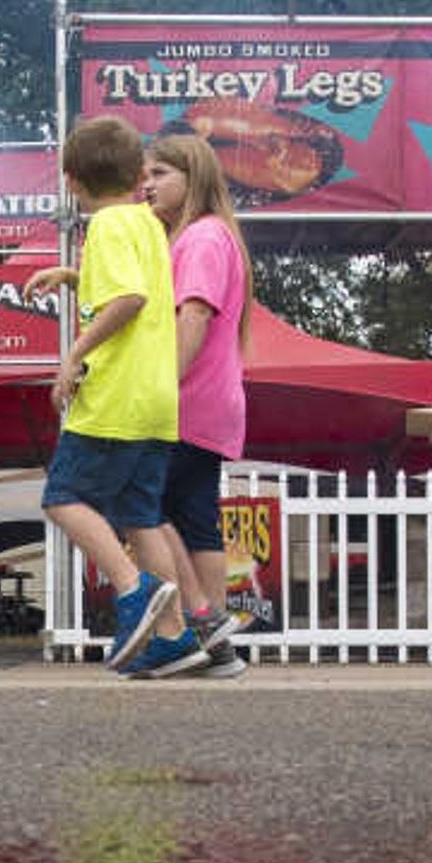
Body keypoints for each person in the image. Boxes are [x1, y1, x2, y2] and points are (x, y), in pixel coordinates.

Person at [40, 116, 197, 675]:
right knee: (142, 516)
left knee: (61, 497)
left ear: (71, 180)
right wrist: (74, 278)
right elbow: (140, 290)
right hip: (157, 401)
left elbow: (127, 297)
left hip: (116, 398)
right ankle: (174, 636)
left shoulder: (105, 228)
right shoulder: (148, 224)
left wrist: (74, 351)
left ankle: (131, 591)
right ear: (136, 176)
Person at [145, 131, 258, 679]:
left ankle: (199, 621)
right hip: (211, 402)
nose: (147, 185)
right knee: (195, 520)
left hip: (185, 400)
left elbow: (193, 316)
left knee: (136, 506)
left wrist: (161, 382)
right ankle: (219, 649)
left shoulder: (201, 238)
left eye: (159, 174)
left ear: (194, 179)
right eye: (145, 175)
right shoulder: (211, 238)